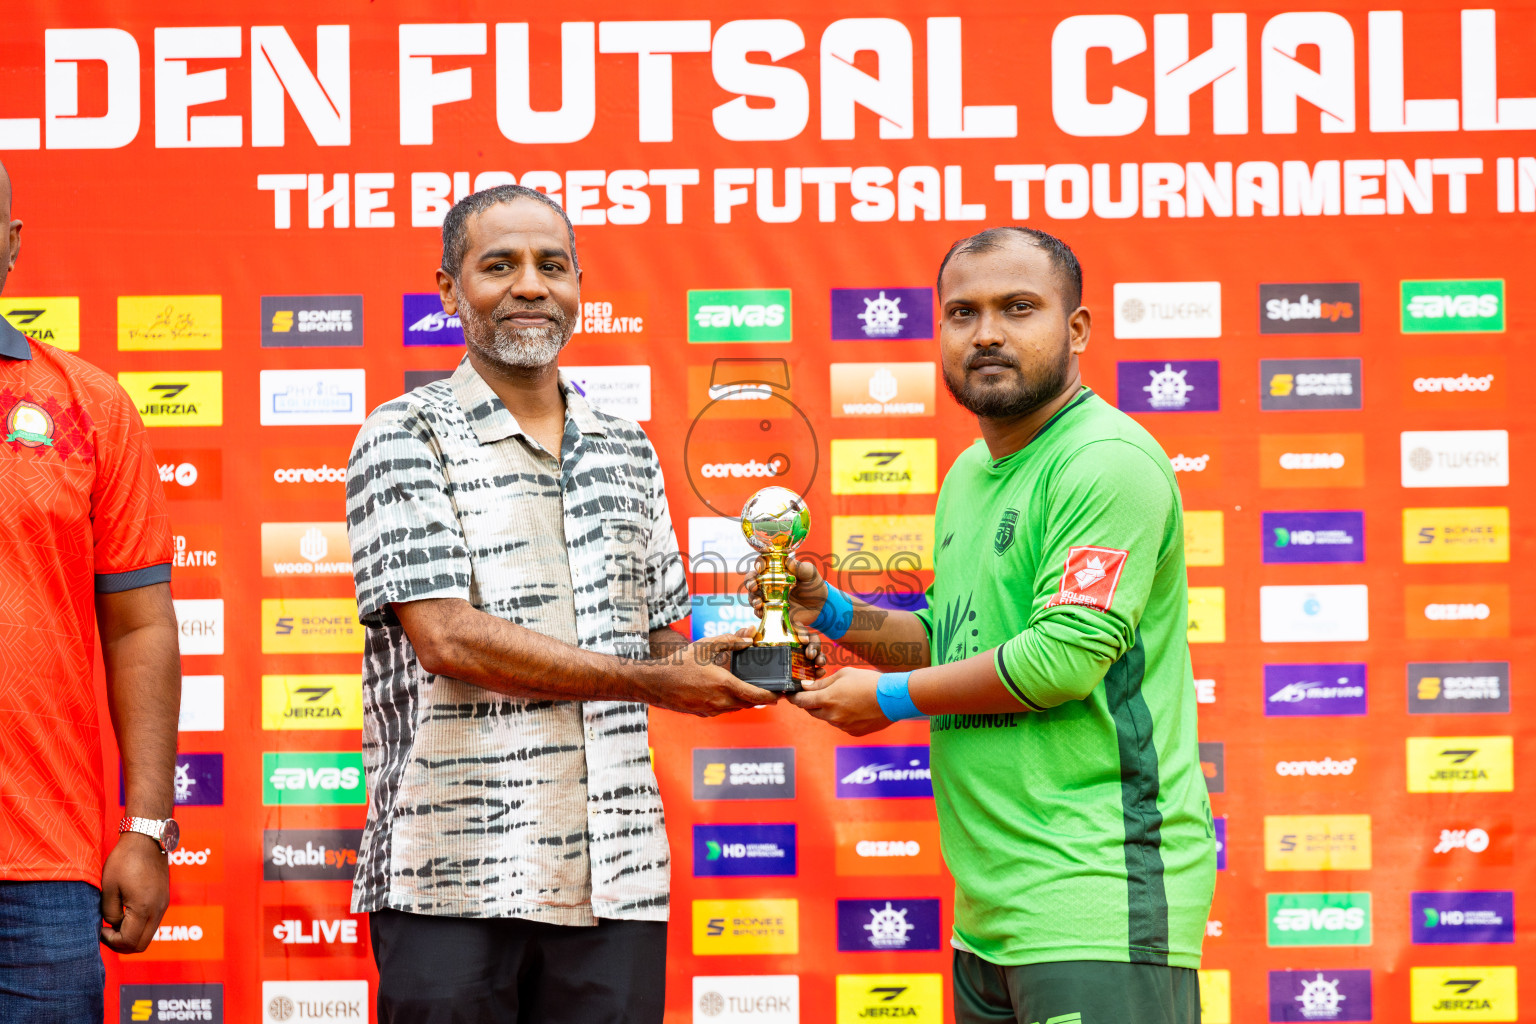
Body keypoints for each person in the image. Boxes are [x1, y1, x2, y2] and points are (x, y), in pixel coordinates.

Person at [346, 184, 812, 1024]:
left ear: (578, 286)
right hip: (453, 875)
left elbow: (659, 641)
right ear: (449, 290)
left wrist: (749, 657)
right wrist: (651, 682)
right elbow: (449, 640)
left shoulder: (626, 445)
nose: (530, 285)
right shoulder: (403, 434)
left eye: (552, 265)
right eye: (499, 266)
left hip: (618, 880)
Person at [754, 227, 1215, 1024]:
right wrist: (823, 609)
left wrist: (890, 699)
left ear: (1076, 330)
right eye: (962, 312)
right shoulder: (972, 471)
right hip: (989, 907)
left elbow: (1060, 660)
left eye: (1019, 308)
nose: (988, 333)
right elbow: (958, 641)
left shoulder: (1104, 461)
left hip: (1095, 894)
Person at [0, 158, 182, 1023]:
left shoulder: (89, 406)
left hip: (37, 868)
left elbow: (139, 624)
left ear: (11, 245)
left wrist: (146, 828)